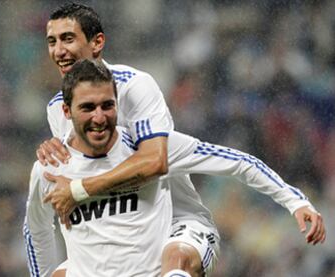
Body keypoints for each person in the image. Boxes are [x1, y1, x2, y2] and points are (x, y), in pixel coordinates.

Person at [25, 60, 325, 277]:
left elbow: (239, 162)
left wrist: (295, 201)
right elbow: (36, 230)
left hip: (166, 256)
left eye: (108, 105)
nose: (100, 117)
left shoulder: (151, 149)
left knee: (177, 258)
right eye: (88, 108)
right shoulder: (50, 168)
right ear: (67, 111)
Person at [30, 3, 213, 277]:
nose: (59, 51)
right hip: (119, 234)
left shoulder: (137, 86)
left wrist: (80, 188)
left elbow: (154, 162)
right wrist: (53, 154)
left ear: (97, 43)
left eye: (68, 39)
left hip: (172, 226)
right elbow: (74, 176)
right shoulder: (57, 108)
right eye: (52, 42)